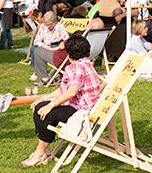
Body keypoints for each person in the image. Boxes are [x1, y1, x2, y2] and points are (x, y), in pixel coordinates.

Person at [23, 34, 101, 167]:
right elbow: (63, 90)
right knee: (39, 107)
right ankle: (45, 149)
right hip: (83, 107)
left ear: (68, 54)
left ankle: (40, 153)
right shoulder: (86, 63)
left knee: (48, 114)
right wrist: (45, 98)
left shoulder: (76, 67)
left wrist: (51, 105)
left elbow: (71, 92)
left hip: (83, 112)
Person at [29, 12, 69, 79]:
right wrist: (45, 46)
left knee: (38, 51)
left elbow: (67, 40)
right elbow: (36, 41)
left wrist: (57, 47)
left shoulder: (60, 27)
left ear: (54, 21)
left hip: (56, 47)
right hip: (46, 46)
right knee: (33, 48)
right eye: (46, 24)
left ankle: (43, 74)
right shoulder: (43, 26)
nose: (48, 27)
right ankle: (37, 72)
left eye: (50, 24)